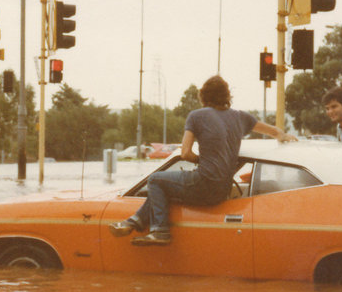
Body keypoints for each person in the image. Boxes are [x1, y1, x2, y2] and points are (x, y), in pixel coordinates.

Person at [110, 75, 297, 246]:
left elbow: (184, 153)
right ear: (227, 96)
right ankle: (134, 221)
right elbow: (273, 131)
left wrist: (202, 160)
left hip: (203, 183)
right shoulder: (241, 117)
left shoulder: (196, 116)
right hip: (221, 191)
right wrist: (284, 136)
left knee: (155, 180)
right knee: (166, 190)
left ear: (203, 96)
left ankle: (160, 230)